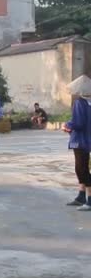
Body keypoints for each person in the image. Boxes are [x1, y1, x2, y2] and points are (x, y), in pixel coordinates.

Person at [63, 75, 91, 211]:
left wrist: (67, 124)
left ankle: (89, 200)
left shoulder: (79, 103)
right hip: (88, 139)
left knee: (82, 169)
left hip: (80, 140)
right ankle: (81, 196)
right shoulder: (88, 103)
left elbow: (78, 123)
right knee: (81, 168)